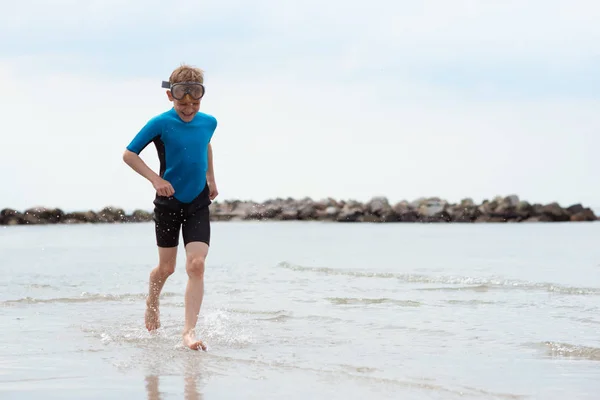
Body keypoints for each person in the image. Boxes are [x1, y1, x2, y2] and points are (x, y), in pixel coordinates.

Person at [122, 64, 218, 351]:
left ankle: (189, 332)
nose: (189, 108)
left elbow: (206, 145)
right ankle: (152, 301)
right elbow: (129, 154)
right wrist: (156, 180)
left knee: (196, 265)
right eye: (182, 103)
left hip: (198, 201)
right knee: (166, 268)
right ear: (170, 97)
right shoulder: (160, 123)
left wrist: (211, 178)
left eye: (195, 103)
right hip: (168, 202)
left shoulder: (209, 121)